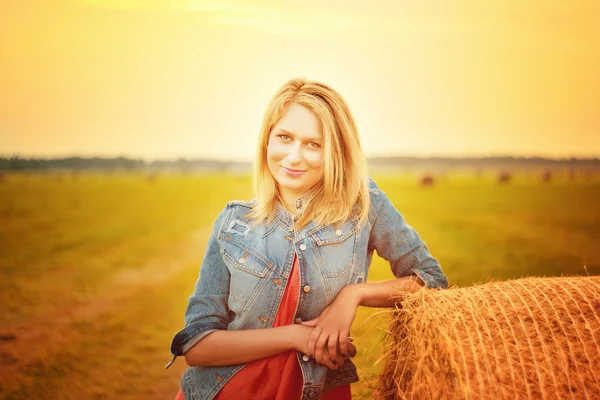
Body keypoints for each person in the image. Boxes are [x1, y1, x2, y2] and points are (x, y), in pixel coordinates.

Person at [166, 77, 449, 400]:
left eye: (314, 144)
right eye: (284, 137)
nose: (294, 156)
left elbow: (430, 281)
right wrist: (296, 337)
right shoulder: (234, 223)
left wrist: (353, 296)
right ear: (267, 142)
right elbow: (198, 347)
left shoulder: (364, 205)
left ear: (337, 152)